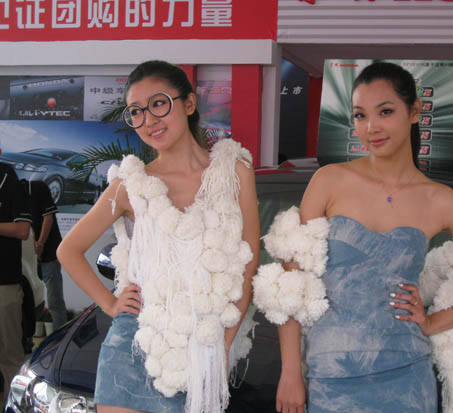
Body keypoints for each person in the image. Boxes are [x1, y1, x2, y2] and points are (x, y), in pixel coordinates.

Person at [253, 61, 453, 413]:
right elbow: (290, 284)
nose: (371, 127)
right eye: (360, 116)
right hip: (331, 378)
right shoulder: (329, 181)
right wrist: (290, 372)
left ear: (414, 112)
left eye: (385, 111)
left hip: (408, 380)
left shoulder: (439, 199)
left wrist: (438, 321)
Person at [57, 60, 260, 413]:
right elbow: (68, 250)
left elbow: (249, 264)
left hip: (202, 345)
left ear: (189, 103)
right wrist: (111, 304)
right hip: (133, 344)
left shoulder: (235, 173)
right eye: (136, 112)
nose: (149, 120)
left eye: (159, 104)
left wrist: (222, 345)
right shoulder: (130, 185)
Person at [0, 161, 32, 409]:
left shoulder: (11, 184)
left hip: (4, 285)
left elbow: (22, 230)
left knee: (9, 355)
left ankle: (14, 407)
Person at [26, 179, 67, 331]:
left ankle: (59, 336)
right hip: (28, 257)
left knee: (54, 299)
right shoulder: (13, 195)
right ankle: (28, 336)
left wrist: (40, 244)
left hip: (49, 252)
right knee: (28, 299)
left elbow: (48, 217)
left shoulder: (37, 187)